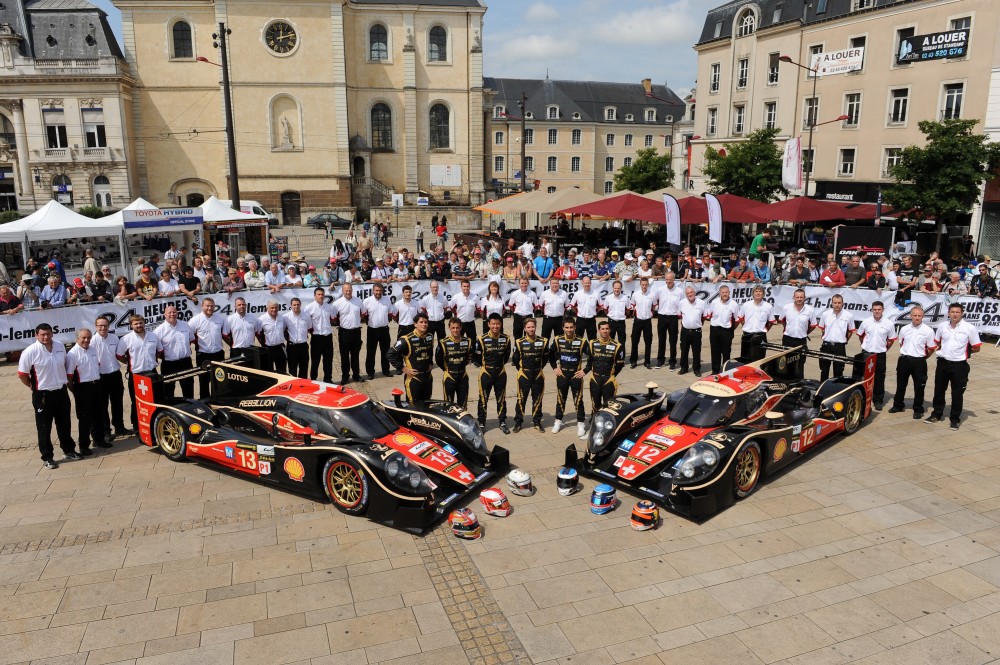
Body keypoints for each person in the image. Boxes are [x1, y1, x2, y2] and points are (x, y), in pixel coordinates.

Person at [19, 323, 79, 468]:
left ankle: (69, 450)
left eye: (48, 334)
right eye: (42, 335)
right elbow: (22, 374)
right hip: (43, 395)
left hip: (61, 392)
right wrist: (32, 387)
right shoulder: (30, 351)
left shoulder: (59, 346)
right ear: (36, 335)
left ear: (52, 334)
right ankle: (47, 457)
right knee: (44, 427)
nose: (46, 337)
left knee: (64, 424)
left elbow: (64, 365)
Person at [926, 303, 981, 430]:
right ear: (948, 313)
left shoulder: (969, 328)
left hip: (959, 365)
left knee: (957, 393)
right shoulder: (942, 326)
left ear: (962, 313)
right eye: (952, 312)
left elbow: (976, 347)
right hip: (943, 363)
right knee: (939, 390)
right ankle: (937, 414)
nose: (955, 314)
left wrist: (964, 353)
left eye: (957, 312)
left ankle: (955, 419)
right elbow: (937, 342)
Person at [116, 315, 164, 428]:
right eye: (136, 324)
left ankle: (155, 424)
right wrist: (130, 364)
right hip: (136, 375)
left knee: (155, 399)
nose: (139, 325)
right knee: (136, 402)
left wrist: (153, 360)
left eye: (141, 323)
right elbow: (119, 355)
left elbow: (160, 350)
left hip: (152, 372)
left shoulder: (153, 336)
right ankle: (137, 426)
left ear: (144, 323)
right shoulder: (126, 339)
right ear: (131, 325)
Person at [889, 305, 936, 419]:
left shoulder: (928, 331)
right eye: (915, 315)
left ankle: (918, 409)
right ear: (910, 316)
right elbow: (902, 343)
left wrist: (922, 358)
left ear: (923, 316)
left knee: (919, 386)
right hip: (904, 359)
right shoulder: (904, 329)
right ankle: (898, 405)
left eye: (919, 316)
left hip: (919, 361)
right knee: (901, 384)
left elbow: (931, 348)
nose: (917, 318)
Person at [65, 328, 104, 456]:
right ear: (77, 339)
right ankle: (84, 445)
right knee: (85, 418)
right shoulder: (72, 354)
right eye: (83, 338)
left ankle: (99, 440)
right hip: (82, 388)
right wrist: (76, 392)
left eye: (88, 338)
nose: (86, 340)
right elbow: (69, 377)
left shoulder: (92, 350)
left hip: (96, 385)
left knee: (99, 414)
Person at [583, 320, 625, 436]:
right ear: (599, 330)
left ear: (610, 330)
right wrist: (585, 371)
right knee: (595, 405)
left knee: (608, 407)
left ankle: (607, 433)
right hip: (595, 379)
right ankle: (593, 430)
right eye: (602, 329)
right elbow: (590, 361)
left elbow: (620, 365)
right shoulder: (592, 343)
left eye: (607, 329)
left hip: (609, 380)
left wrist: (611, 376)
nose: (605, 331)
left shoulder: (617, 346)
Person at [474, 313, 511, 434]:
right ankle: (482, 423)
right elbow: (477, 358)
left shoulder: (506, 338)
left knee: (501, 399)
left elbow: (506, 356)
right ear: (488, 324)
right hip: (486, 373)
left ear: (501, 324)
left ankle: (502, 422)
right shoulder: (481, 339)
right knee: (483, 399)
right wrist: (487, 366)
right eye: (493, 324)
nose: (495, 326)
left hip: (500, 373)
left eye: (498, 324)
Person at [550, 316, 587, 437]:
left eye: (571, 327)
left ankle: (581, 423)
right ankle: (558, 421)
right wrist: (555, 367)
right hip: (562, 375)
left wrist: (585, 370)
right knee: (561, 398)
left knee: (578, 400)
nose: (569, 330)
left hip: (576, 376)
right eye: (567, 327)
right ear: (563, 328)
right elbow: (550, 354)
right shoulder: (557, 339)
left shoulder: (582, 341)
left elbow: (592, 356)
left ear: (575, 327)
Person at [856, 301, 896, 410]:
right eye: (875, 309)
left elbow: (891, 340)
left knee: (879, 378)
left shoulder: (889, 324)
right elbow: (860, 336)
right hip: (866, 353)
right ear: (872, 310)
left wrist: (884, 349)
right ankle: (862, 398)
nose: (877, 311)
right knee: (863, 377)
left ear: (883, 310)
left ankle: (878, 400)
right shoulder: (866, 322)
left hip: (880, 355)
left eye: (879, 309)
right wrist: (865, 346)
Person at [93, 316, 127, 440]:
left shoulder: (114, 338)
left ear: (109, 326)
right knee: (103, 405)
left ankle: (119, 426)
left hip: (115, 375)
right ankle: (106, 430)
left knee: (117, 402)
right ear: (96, 327)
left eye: (105, 325)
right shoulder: (92, 341)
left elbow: (120, 354)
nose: (103, 328)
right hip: (101, 377)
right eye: (100, 325)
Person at [511, 318, 548, 433]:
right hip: (524, 374)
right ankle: (518, 422)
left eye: (533, 327)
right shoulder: (519, 342)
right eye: (528, 327)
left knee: (537, 399)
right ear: (524, 328)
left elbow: (545, 358)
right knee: (521, 399)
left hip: (538, 374)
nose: (531, 329)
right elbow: (515, 359)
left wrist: (539, 368)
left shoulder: (543, 341)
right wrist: (522, 369)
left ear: (535, 327)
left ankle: (537, 421)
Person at [389, 313, 435, 403]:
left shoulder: (430, 336)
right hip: (414, 379)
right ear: (415, 324)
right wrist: (403, 368)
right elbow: (390, 354)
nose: (424, 324)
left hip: (428, 377)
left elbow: (430, 351)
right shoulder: (406, 339)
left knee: (427, 406)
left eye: (426, 322)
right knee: (414, 408)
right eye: (421, 322)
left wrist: (431, 363)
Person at [189, 298, 229, 397]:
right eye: (207, 306)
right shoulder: (195, 320)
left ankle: (219, 401)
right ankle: (205, 403)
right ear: (202, 306)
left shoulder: (220, 319)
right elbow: (189, 337)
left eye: (211, 306)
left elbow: (225, 335)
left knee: (220, 380)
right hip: (203, 356)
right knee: (204, 381)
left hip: (218, 354)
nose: (209, 308)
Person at [157, 305, 195, 398]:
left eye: (174, 312)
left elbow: (190, 340)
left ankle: (189, 409)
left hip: (186, 362)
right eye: (169, 312)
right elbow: (156, 349)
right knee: (168, 391)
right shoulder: (159, 330)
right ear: (164, 315)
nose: (172, 314)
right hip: (169, 364)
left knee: (188, 388)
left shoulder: (185, 325)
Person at [816, 294, 855, 382]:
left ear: (842, 303)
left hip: (840, 347)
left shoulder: (849, 316)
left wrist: (844, 340)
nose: (837, 305)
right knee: (824, 370)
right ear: (832, 303)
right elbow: (822, 329)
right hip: (826, 346)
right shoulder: (825, 314)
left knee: (838, 371)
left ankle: (836, 390)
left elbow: (850, 331)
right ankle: (822, 389)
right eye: (835, 303)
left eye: (839, 303)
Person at [780, 288, 816, 376]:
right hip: (788, 339)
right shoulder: (786, 308)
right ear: (793, 297)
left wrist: (805, 332)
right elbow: (782, 320)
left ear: (804, 298)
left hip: (801, 341)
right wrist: (788, 328)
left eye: (801, 297)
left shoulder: (810, 310)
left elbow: (813, 325)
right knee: (786, 362)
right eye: (797, 297)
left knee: (800, 364)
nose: (799, 299)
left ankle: (799, 383)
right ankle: (786, 382)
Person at [362, 283, 395, 379]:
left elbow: (390, 313)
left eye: (380, 290)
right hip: (372, 330)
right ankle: (370, 372)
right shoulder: (367, 301)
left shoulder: (387, 300)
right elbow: (364, 315)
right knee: (371, 352)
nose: (378, 292)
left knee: (386, 351)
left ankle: (386, 370)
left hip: (384, 329)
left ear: (382, 291)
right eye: (376, 290)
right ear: (373, 290)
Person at [437, 318, 472, 406]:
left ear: (461, 328)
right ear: (449, 328)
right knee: (448, 405)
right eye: (453, 328)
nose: (455, 330)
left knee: (463, 404)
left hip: (463, 376)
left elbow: (469, 357)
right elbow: (438, 359)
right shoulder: (443, 342)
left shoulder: (467, 341)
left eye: (457, 327)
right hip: (449, 376)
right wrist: (446, 369)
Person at [332, 283, 363, 384]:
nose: (348, 292)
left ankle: (356, 375)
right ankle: (345, 376)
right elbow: (333, 318)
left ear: (352, 290)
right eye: (346, 290)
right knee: (344, 356)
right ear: (342, 291)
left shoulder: (358, 301)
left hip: (356, 332)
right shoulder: (337, 303)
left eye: (349, 290)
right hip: (344, 332)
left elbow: (362, 314)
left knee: (355, 355)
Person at [707, 285, 741, 374]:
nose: (725, 294)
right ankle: (715, 370)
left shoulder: (734, 304)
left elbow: (737, 320)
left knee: (726, 352)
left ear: (729, 293)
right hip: (714, 329)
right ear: (720, 293)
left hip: (727, 330)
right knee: (715, 351)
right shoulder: (714, 302)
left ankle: (725, 371)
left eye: (726, 292)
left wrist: (731, 329)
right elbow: (710, 314)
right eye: (723, 292)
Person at [304, 287, 335, 383]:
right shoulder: (309, 308)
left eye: (322, 294)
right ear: (314, 296)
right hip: (317, 337)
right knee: (315, 360)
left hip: (328, 336)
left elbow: (333, 319)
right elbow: (306, 322)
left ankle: (328, 379)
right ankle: (313, 380)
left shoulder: (329, 307)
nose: (321, 296)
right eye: (319, 294)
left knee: (328, 360)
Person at [654, 272, 683, 370]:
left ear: (674, 279)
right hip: (662, 316)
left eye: (670, 279)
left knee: (673, 340)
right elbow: (655, 301)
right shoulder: (660, 290)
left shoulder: (679, 291)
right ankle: (660, 360)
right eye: (666, 279)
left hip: (673, 317)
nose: (668, 281)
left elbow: (682, 304)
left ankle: (672, 362)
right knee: (661, 339)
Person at [738, 286, 774, 362]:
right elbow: (741, 318)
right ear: (753, 294)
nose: (758, 293)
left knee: (759, 360)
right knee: (745, 359)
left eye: (760, 291)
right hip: (747, 335)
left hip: (760, 336)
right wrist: (746, 327)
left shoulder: (768, 306)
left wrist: (764, 330)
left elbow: (771, 322)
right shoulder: (746, 305)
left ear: (763, 294)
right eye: (756, 291)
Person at [677, 286, 706, 376]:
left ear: (695, 293)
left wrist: (696, 324)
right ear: (686, 295)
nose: (690, 294)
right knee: (684, 351)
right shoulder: (682, 303)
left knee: (696, 351)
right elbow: (679, 315)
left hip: (696, 331)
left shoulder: (701, 303)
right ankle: (684, 368)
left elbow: (704, 316)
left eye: (691, 292)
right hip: (685, 331)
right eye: (688, 293)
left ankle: (696, 369)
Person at [629, 277, 656, 369]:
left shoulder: (652, 294)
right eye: (643, 284)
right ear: (640, 285)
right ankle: (633, 361)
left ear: (648, 284)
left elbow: (653, 306)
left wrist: (650, 314)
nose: (644, 286)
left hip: (647, 321)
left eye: (646, 284)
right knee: (635, 341)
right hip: (637, 321)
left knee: (648, 342)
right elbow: (632, 305)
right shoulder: (635, 294)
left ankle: (647, 361)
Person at [226, 297, 261, 362]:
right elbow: (225, 335)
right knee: (236, 372)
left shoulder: (253, 318)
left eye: (243, 304)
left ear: (246, 305)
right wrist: (231, 344)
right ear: (235, 306)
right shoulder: (230, 319)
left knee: (250, 371)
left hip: (250, 350)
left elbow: (257, 332)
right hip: (236, 350)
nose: (241, 306)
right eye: (239, 305)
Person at [257, 300, 287, 374]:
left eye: (276, 307)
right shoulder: (261, 320)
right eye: (272, 307)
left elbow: (284, 329)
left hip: (280, 347)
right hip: (268, 349)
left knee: (282, 371)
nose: (274, 309)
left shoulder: (281, 318)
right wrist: (263, 344)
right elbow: (258, 334)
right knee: (268, 372)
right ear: (267, 308)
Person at [570, 275, 600, 340]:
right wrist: (578, 312)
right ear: (582, 283)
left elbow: (600, 306)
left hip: (591, 320)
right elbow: (572, 306)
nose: (587, 284)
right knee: (578, 339)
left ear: (591, 283)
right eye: (585, 283)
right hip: (580, 319)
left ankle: (591, 350)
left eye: (588, 283)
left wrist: (594, 312)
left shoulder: (596, 293)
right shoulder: (577, 294)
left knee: (593, 340)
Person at [605, 279, 629, 345]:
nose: (617, 290)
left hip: (621, 323)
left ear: (621, 288)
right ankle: (611, 355)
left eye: (618, 288)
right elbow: (605, 309)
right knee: (610, 341)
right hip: (611, 322)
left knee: (622, 341)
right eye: (615, 288)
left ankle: (622, 355)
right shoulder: (608, 298)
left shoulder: (625, 298)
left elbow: (628, 310)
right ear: (613, 288)